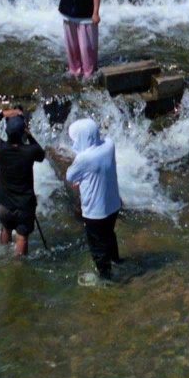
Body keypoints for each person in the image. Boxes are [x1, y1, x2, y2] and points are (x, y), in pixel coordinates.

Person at [65, 118, 124, 280]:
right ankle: (117, 261)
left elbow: (70, 176)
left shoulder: (84, 159)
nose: (74, 142)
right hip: (113, 205)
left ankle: (105, 278)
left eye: (75, 138)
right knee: (109, 235)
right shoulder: (109, 145)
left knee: (97, 246)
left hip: (95, 212)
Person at [0, 103, 46, 258]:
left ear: (7, 132)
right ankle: (18, 268)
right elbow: (42, 155)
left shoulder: (0, 148)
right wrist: (29, 135)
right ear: (22, 132)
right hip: (23, 205)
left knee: (6, 227)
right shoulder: (29, 151)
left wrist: (3, 114)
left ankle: (2, 253)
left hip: (3, 204)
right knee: (22, 237)